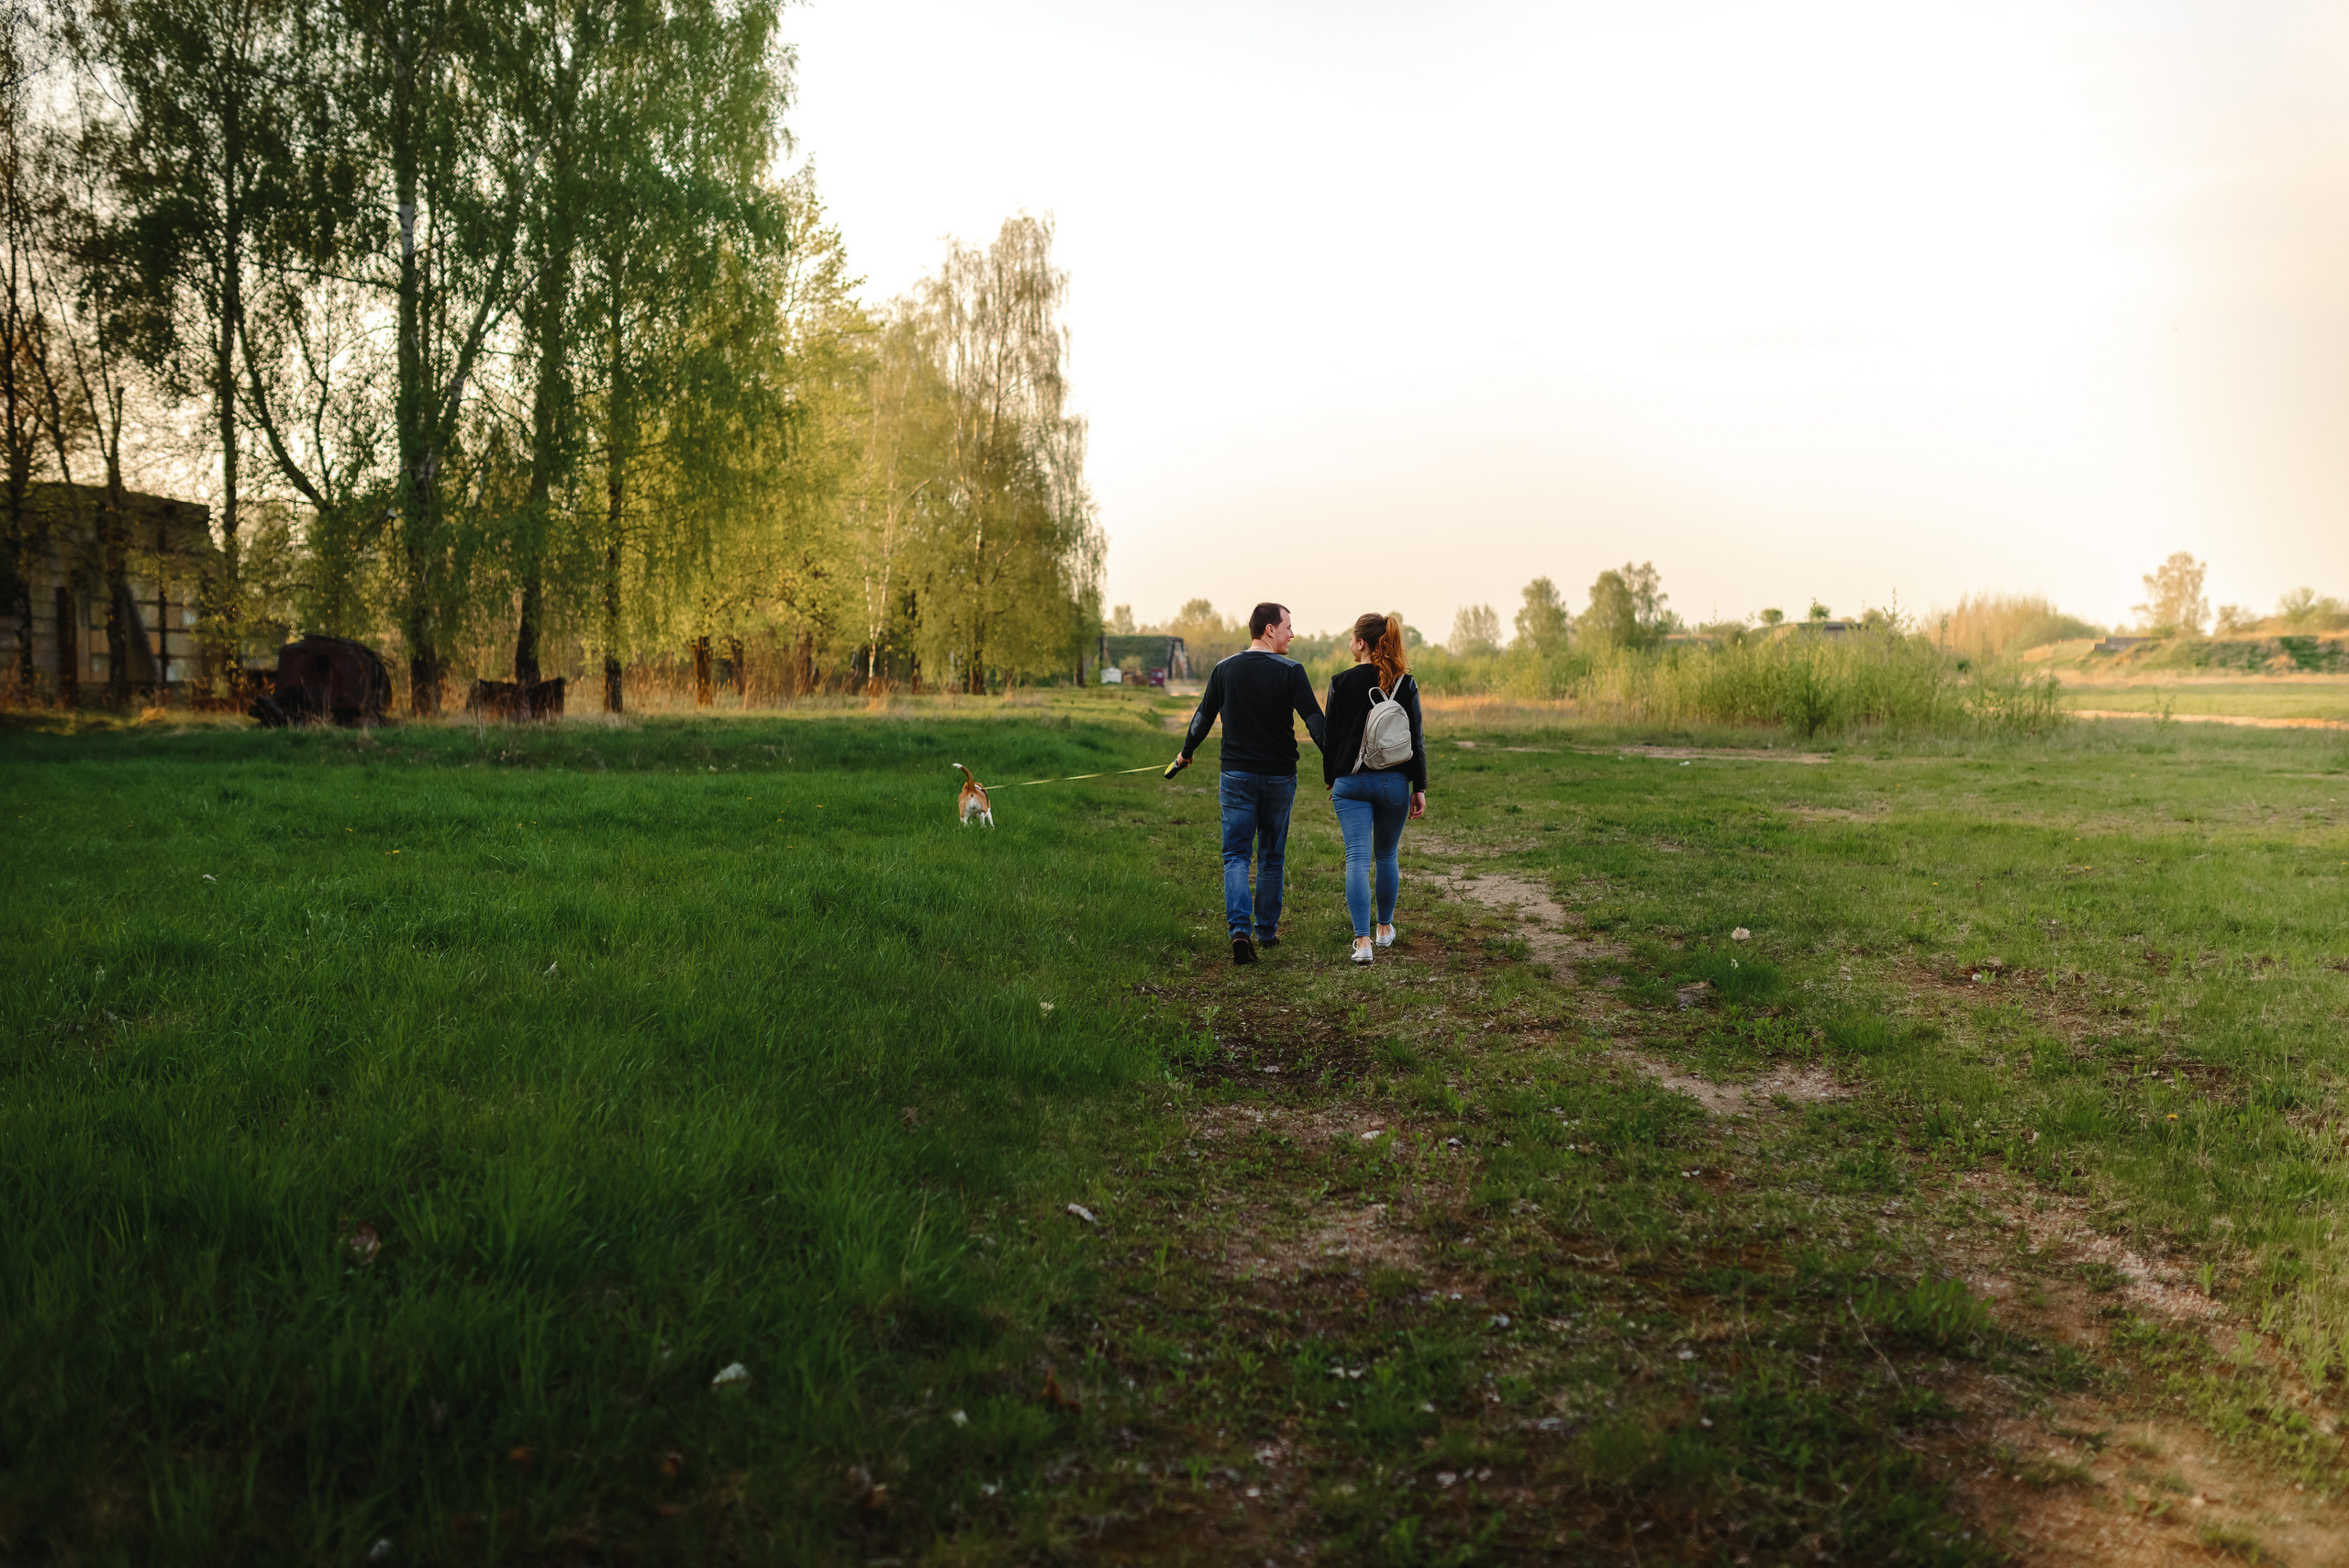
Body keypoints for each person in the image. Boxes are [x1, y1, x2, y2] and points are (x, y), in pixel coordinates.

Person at [1171, 602, 1327, 964]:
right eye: (1288, 626)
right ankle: (1266, 932)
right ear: (1270, 629)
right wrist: (1335, 768)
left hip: (1236, 776)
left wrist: (1185, 753)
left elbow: (1203, 717)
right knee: (1272, 856)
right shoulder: (1292, 671)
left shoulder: (1224, 669)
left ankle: (1240, 931)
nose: (1292, 633)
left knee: (1236, 856)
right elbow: (1315, 722)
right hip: (1279, 777)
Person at [1321, 611, 1427, 965]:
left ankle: (1363, 942)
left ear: (1361, 643)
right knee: (1385, 855)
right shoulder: (1404, 684)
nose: (1349, 644)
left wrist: (1331, 778)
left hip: (1350, 783)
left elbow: (1329, 738)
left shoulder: (1340, 681)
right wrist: (1419, 786)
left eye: (1351, 639)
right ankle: (1384, 929)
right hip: (1393, 782)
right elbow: (1416, 738)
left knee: (1356, 858)